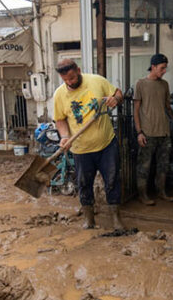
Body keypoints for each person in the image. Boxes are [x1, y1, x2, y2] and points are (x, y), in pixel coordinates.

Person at [53, 59, 125, 230]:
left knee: (113, 181)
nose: (70, 82)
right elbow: (60, 119)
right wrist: (64, 136)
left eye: (72, 77)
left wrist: (115, 99)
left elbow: (119, 93)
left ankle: (116, 218)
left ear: (78, 70)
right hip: (81, 150)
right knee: (84, 184)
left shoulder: (97, 81)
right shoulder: (59, 94)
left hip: (106, 145)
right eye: (66, 80)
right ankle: (89, 220)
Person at [134, 53, 173, 205]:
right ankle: (142, 195)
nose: (163, 71)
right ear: (153, 67)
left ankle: (161, 192)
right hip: (147, 133)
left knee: (163, 165)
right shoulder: (140, 84)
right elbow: (136, 110)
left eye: (165, 69)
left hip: (164, 132)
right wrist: (139, 132)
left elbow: (168, 107)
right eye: (162, 68)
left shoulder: (164, 85)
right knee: (144, 166)